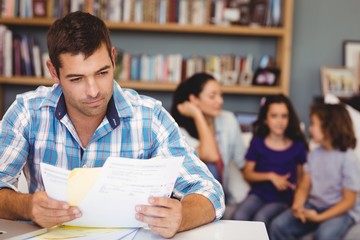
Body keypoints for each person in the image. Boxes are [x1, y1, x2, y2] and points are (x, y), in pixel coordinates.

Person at [0, 11, 225, 238]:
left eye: (102, 73)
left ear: (113, 58)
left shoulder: (150, 118)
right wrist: (27, 206)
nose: (93, 91)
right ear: (53, 72)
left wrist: (182, 216)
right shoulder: (27, 113)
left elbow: (209, 191)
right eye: (77, 79)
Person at [271, 103, 360, 240]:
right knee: (278, 226)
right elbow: (304, 185)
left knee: (324, 235)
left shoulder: (348, 159)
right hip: (315, 205)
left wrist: (319, 218)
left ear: (329, 127)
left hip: (341, 211)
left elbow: (349, 201)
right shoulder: (315, 154)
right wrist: (297, 205)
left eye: (313, 124)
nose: (310, 128)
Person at [231, 94, 308, 229]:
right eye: (274, 116)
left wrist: (298, 195)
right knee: (239, 215)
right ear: (266, 119)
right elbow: (248, 174)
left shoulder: (298, 146)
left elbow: (301, 180)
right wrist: (271, 176)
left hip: (282, 200)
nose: (280, 121)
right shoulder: (257, 143)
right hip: (259, 195)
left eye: (284, 116)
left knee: (261, 219)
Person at [170, 72, 247, 204]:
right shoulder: (179, 130)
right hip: (193, 195)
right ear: (194, 99)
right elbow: (211, 155)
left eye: (220, 95)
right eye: (212, 96)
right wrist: (197, 114)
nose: (220, 101)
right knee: (209, 166)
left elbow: (242, 162)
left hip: (224, 191)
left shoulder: (228, 120)